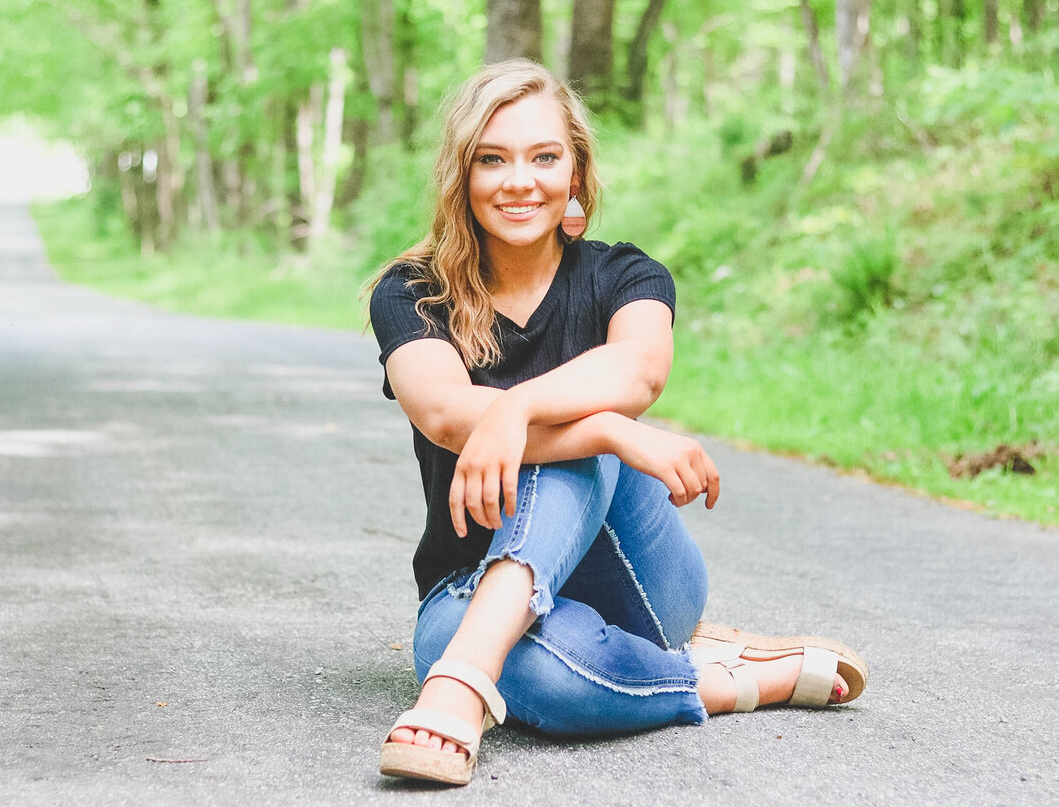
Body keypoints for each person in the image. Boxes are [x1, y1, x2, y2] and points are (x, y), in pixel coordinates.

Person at [367, 59, 867, 787]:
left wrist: (519, 406)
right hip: (467, 587)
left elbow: (639, 372)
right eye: (492, 159)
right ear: (462, 174)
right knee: (534, 673)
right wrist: (607, 431)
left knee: (581, 425)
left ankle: (462, 683)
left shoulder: (624, 275)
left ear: (576, 174)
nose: (519, 180)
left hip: (640, 583)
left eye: (544, 157)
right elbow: (445, 413)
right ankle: (713, 679)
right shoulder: (413, 291)